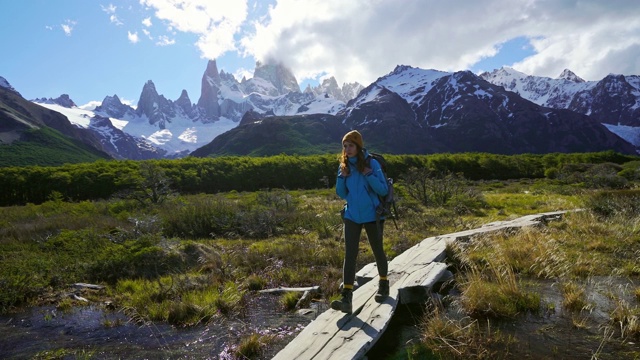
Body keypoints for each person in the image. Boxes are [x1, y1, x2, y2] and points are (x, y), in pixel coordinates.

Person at [331, 130, 390, 314]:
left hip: (373, 215)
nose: (347, 149)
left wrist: (369, 174)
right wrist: (342, 176)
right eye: (345, 146)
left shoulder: (371, 163)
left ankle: (383, 283)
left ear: (358, 146)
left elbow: (383, 190)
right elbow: (342, 193)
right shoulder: (344, 165)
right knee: (350, 255)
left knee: (377, 250)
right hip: (352, 216)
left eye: (351, 145)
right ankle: (346, 298)